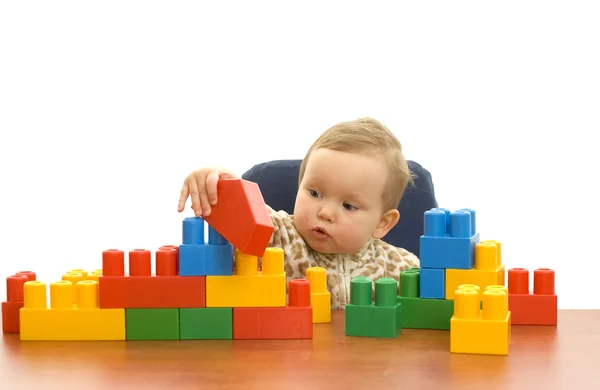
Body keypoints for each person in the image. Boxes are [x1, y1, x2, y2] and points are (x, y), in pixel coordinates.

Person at [177, 117, 420, 309]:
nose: (325, 212)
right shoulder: (275, 236)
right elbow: (236, 213)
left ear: (382, 223)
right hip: (282, 363)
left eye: (348, 206)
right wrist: (215, 181)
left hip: (365, 368)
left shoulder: (401, 268)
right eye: (314, 193)